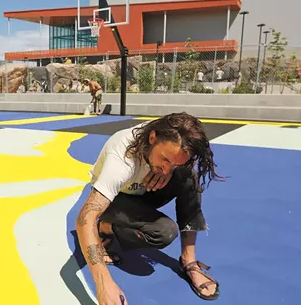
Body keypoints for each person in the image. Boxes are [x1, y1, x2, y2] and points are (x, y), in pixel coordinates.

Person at [75, 112, 222, 304]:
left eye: (174, 163)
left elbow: (184, 152)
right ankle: (108, 226)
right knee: (164, 232)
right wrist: (103, 283)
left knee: (189, 177)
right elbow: (84, 219)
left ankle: (189, 261)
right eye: (165, 159)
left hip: (145, 189)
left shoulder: (168, 132)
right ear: (151, 138)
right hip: (116, 199)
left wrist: (169, 169)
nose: (168, 168)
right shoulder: (121, 161)